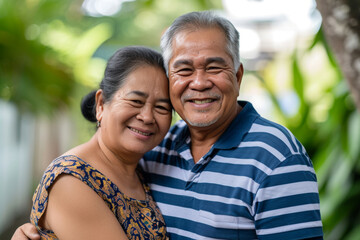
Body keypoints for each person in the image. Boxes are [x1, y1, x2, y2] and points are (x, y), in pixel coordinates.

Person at [12, 11, 323, 240]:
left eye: (214, 67)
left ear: (238, 76)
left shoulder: (277, 158)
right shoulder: (159, 150)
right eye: (184, 69)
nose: (199, 83)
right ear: (101, 104)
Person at [16, 46, 172, 240]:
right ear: (101, 104)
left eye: (162, 107)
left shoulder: (141, 170)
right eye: (135, 101)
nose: (148, 117)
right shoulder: (72, 179)